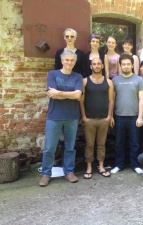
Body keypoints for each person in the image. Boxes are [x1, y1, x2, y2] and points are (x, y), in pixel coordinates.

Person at [39, 50, 83, 187]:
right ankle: (46, 174)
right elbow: (52, 95)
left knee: (70, 147)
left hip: (72, 116)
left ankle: (69, 172)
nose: (69, 62)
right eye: (67, 60)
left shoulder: (78, 76)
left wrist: (58, 92)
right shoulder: (52, 74)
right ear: (62, 61)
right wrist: (69, 94)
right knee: (49, 147)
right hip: (54, 116)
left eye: (72, 60)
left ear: (75, 62)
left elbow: (78, 96)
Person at [110, 54, 143, 174]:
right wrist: (111, 116)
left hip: (134, 117)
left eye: (128, 64)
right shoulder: (115, 81)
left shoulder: (138, 80)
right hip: (119, 116)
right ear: (120, 66)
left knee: (134, 143)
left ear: (132, 65)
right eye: (123, 64)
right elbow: (112, 100)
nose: (125, 66)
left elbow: (142, 99)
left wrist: (140, 117)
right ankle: (119, 165)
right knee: (119, 142)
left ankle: (135, 164)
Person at [80, 57, 114, 179]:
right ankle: (89, 168)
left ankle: (101, 166)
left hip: (103, 119)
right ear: (91, 66)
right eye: (94, 64)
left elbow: (111, 101)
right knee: (89, 144)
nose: (97, 66)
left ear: (102, 66)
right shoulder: (85, 81)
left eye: (99, 64)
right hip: (89, 119)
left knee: (101, 144)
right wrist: (84, 117)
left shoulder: (109, 82)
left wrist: (109, 116)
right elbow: (81, 101)